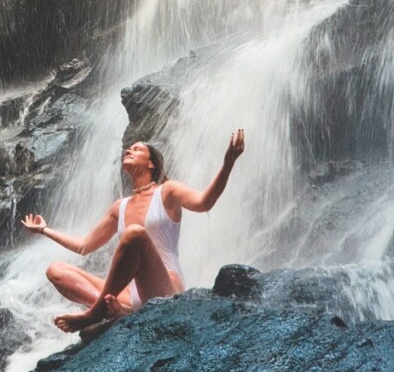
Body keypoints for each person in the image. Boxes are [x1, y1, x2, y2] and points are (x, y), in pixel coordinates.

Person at [22, 129, 245, 332]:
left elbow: (204, 202)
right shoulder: (120, 207)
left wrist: (228, 165)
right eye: (129, 149)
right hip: (129, 296)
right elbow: (83, 246)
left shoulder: (167, 191)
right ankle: (113, 311)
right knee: (56, 269)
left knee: (135, 234)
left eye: (137, 149)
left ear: (151, 164)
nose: (129, 150)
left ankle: (95, 313)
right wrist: (44, 230)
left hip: (164, 288)